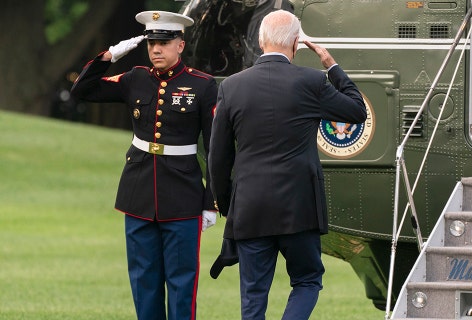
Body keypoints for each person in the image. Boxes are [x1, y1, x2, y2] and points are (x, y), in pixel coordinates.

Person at [208, 9, 367, 320]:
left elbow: (218, 156)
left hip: (250, 207)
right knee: (307, 281)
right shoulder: (311, 81)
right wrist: (330, 64)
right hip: (299, 207)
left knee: (253, 293)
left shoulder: (232, 86)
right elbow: (357, 111)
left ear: (260, 40)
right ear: (297, 43)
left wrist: (228, 204)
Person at [70, 10, 218, 320]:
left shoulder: (202, 86)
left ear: (180, 44)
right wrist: (110, 55)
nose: (156, 50)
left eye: (164, 43)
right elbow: (81, 89)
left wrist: (211, 201)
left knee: (181, 283)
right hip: (138, 193)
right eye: (151, 43)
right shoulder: (135, 78)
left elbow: (215, 148)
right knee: (144, 282)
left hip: (183, 196)